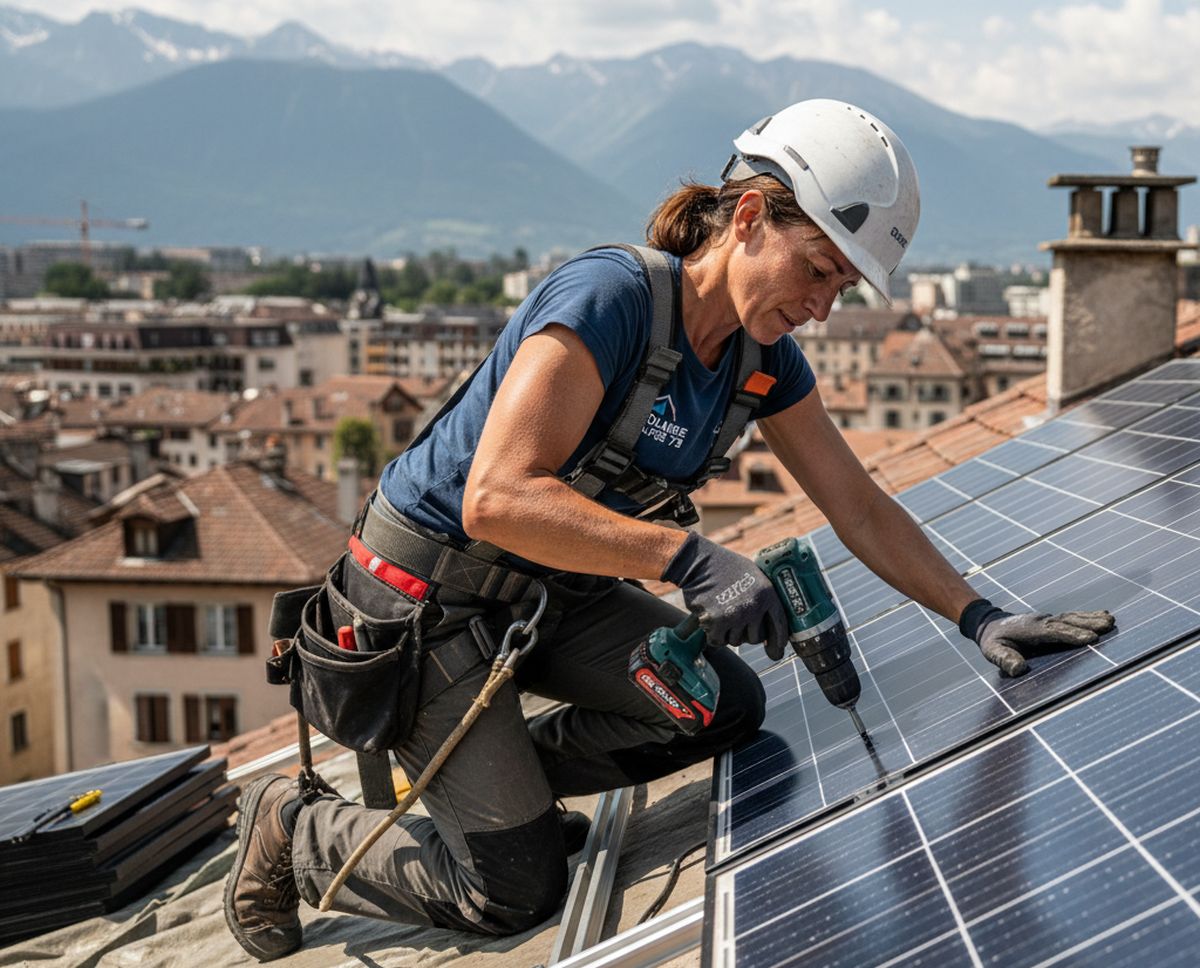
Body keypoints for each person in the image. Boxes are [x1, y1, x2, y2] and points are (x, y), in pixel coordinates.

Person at [224, 99, 1113, 960]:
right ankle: (292, 826)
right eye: (817, 270)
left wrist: (978, 614)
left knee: (721, 708)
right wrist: (684, 556)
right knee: (513, 893)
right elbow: (495, 496)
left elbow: (862, 506)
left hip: (545, 598)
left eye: (841, 287)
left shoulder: (762, 365)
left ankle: (505, 790)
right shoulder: (610, 298)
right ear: (752, 216)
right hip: (424, 607)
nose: (821, 308)